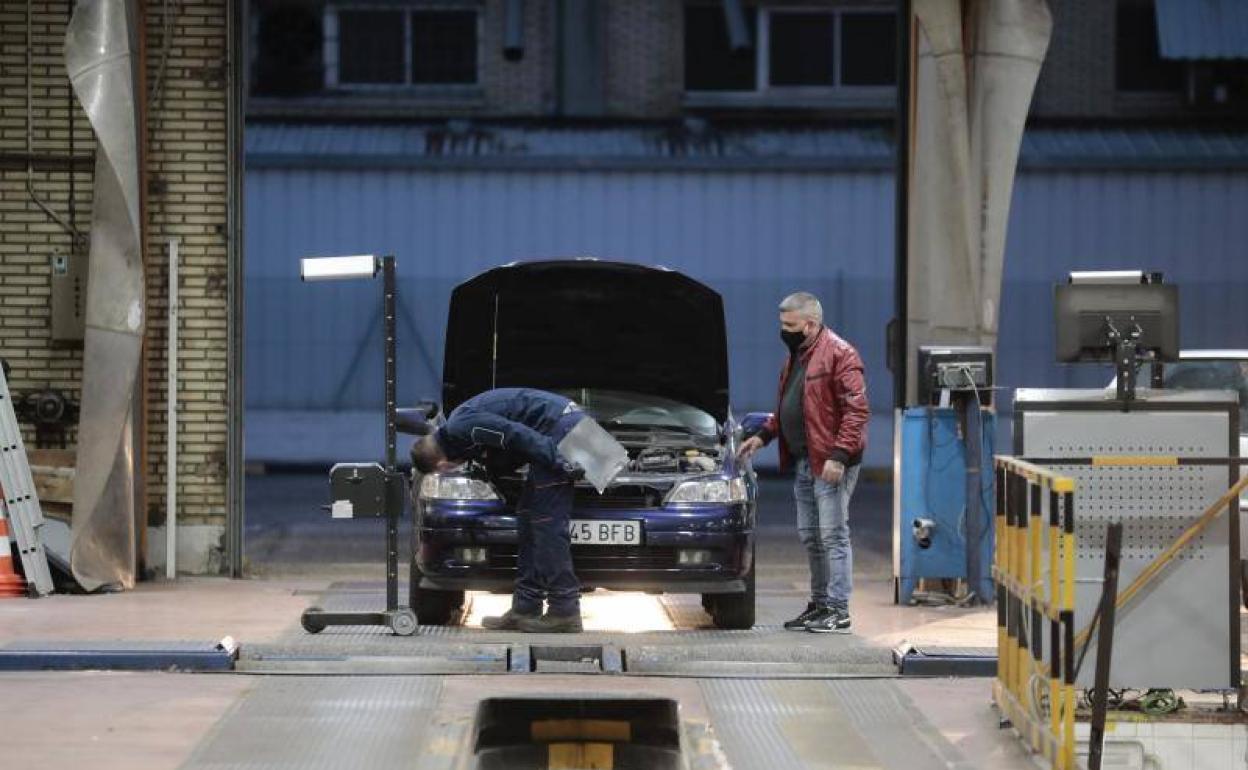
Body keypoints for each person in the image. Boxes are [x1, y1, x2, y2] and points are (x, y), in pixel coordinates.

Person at [737, 292, 869, 634]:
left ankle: (838, 610)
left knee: (833, 535)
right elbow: (791, 407)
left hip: (830, 462)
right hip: (805, 461)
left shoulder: (841, 354)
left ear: (810, 325)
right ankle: (820, 603)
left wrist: (839, 456)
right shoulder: (797, 356)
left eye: (789, 325)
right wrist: (765, 436)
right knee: (812, 536)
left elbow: (857, 412)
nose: (784, 330)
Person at [410, 387, 586, 633]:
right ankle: (525, 608)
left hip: (563, 428)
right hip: (561, 424)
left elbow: (516, 434)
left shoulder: (463, 427)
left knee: (546, 522)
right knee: (528, 518)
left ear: (441, 463)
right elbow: (505, 449)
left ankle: (565, 611)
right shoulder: (459, 432)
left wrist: (560, 460)